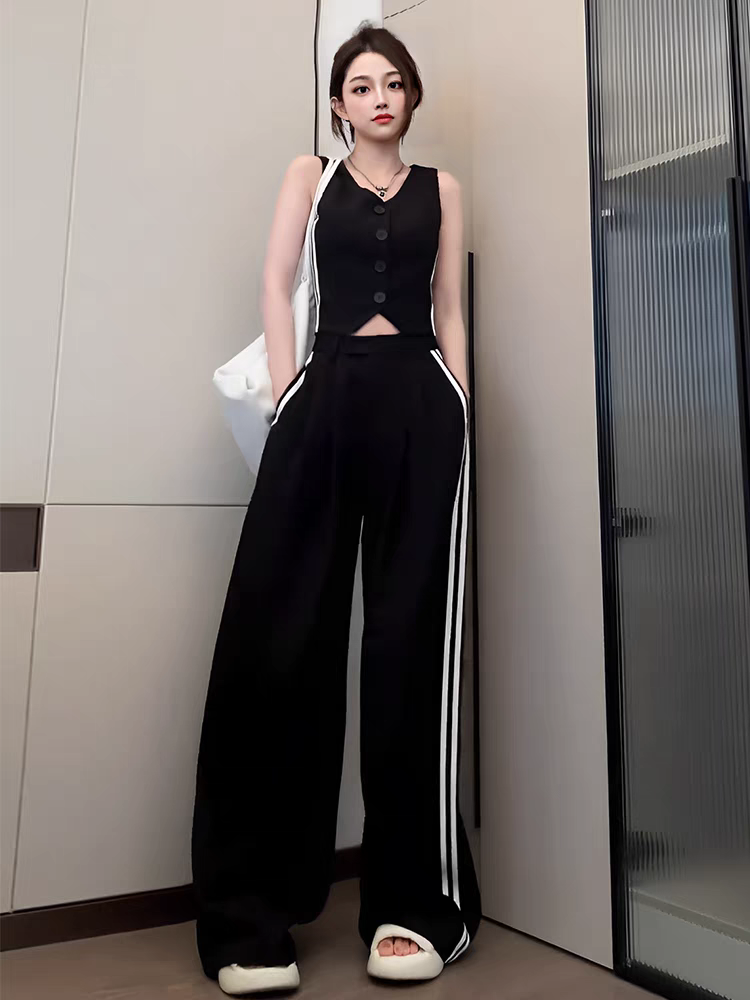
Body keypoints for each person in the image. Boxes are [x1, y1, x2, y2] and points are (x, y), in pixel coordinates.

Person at [190, 21, 481, 997]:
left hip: (420, 404)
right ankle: (251, 916)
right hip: (322, 396)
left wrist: (461, 405)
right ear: (337, 104)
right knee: (280, 641)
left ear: (412, 95)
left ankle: (412, 905)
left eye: (393, 82)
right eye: (361, 85)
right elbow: (275, 286)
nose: (379, 97)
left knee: (408, 647)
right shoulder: (309, 176)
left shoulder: (443, 189)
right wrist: (288, 395)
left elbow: (450, 308)